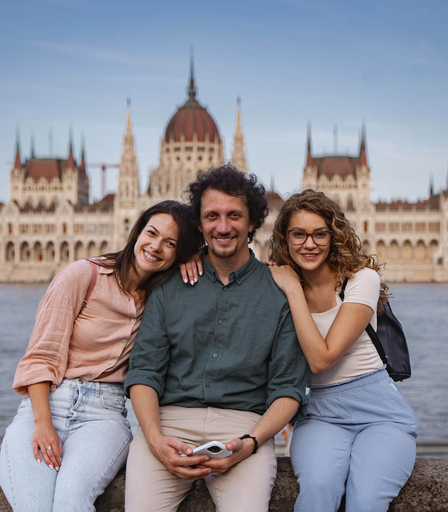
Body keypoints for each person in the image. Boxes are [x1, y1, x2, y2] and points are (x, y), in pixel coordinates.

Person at [123, 164, 309, 512]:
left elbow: (288, 388)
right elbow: (144, 371)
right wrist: (154, 439)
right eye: (212, 216)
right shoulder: (169, 285)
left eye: (234, 215)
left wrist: (250, 443)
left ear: (252, 222)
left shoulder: (279, 291)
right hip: (168, 422)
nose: (223, 227)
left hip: (245, 425)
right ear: (199, 223)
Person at [0, 200, 201, 512]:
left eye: (170, 243)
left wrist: (196, 258)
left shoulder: (164, 298)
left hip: (104, 414)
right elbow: (40, 358)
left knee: (71, 502)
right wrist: (43, 424)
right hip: (47, 403)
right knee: (33, 506)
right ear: (136, 233)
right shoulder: (82, 276)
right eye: (151, 233)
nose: (156, 246)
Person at [267, 189, 418, 512]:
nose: (309, 244)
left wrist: (293, 289)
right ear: (285, 238)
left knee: (365, 500)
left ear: (334, 236)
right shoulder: (274, 285)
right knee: (317, 493)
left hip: (381, 417)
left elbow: (322, 358)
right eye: (299, 234)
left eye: (320, 234)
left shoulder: (361, 280)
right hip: (320, 415)